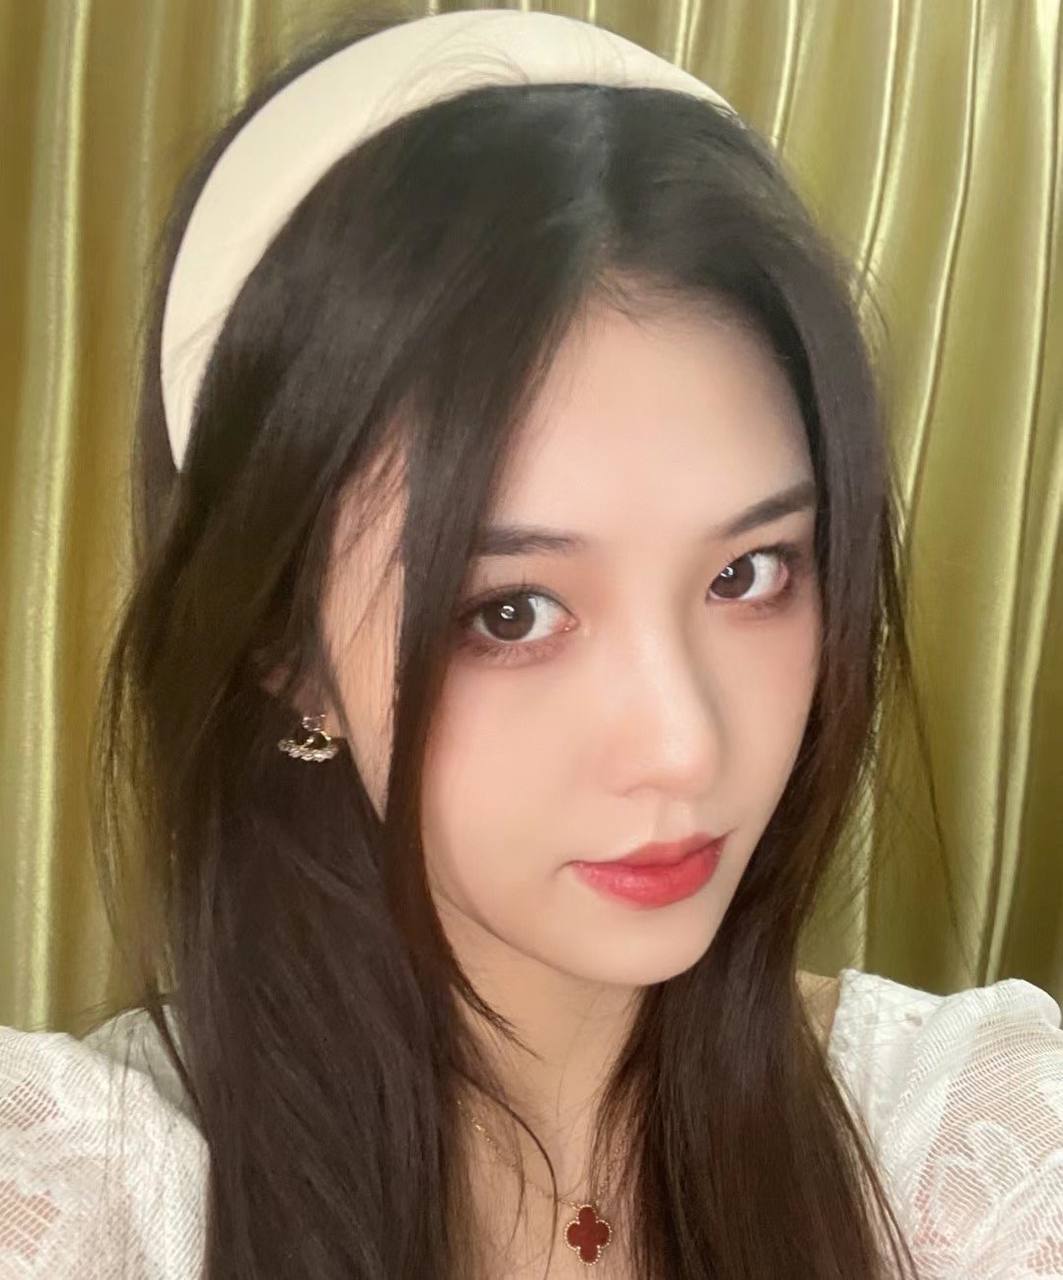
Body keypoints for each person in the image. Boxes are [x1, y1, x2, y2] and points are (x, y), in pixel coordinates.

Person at [1, 8, 1061, 1278]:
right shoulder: (84, 1196)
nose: (682, 744)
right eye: (511, 612)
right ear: (284, 642)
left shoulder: (975, 1149)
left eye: (749, 573)